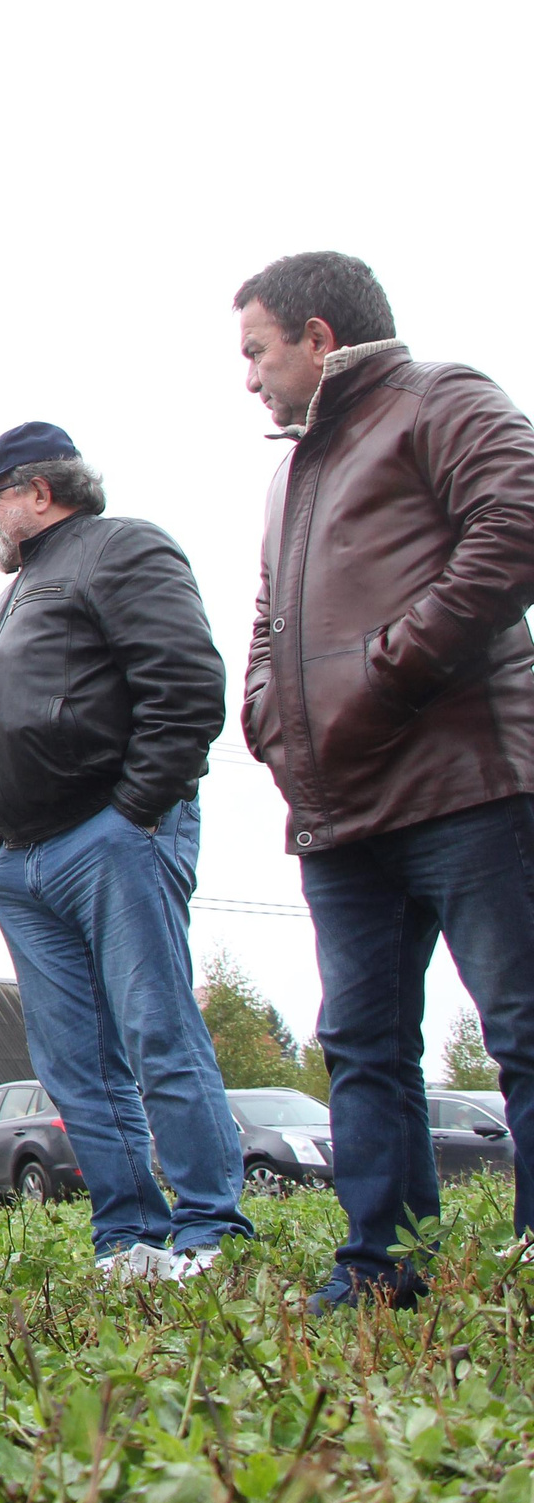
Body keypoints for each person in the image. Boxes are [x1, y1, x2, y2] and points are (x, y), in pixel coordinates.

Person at [235, 251, 534, 1310]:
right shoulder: (292, 472)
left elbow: (515, 524)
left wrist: (391, 668)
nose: (249, 377)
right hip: (339, 811)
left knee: (519, 1025)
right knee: (360, 1047)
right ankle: (382, 1266)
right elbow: (270, 622)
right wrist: (265, 715)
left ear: (318, 338)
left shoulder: (437, 399)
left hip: (466, 780)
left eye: (257, 351)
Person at [0, 425, 248, 1281]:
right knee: (74, 1062)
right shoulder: (14, 595)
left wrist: (132, 811)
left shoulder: (121, 547)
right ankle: (129, 1235)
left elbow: (187, 682)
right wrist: (3, 837)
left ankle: (208, 1227)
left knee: (156, 1029)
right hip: (24, 860)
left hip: (108, 836)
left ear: (41, 492)